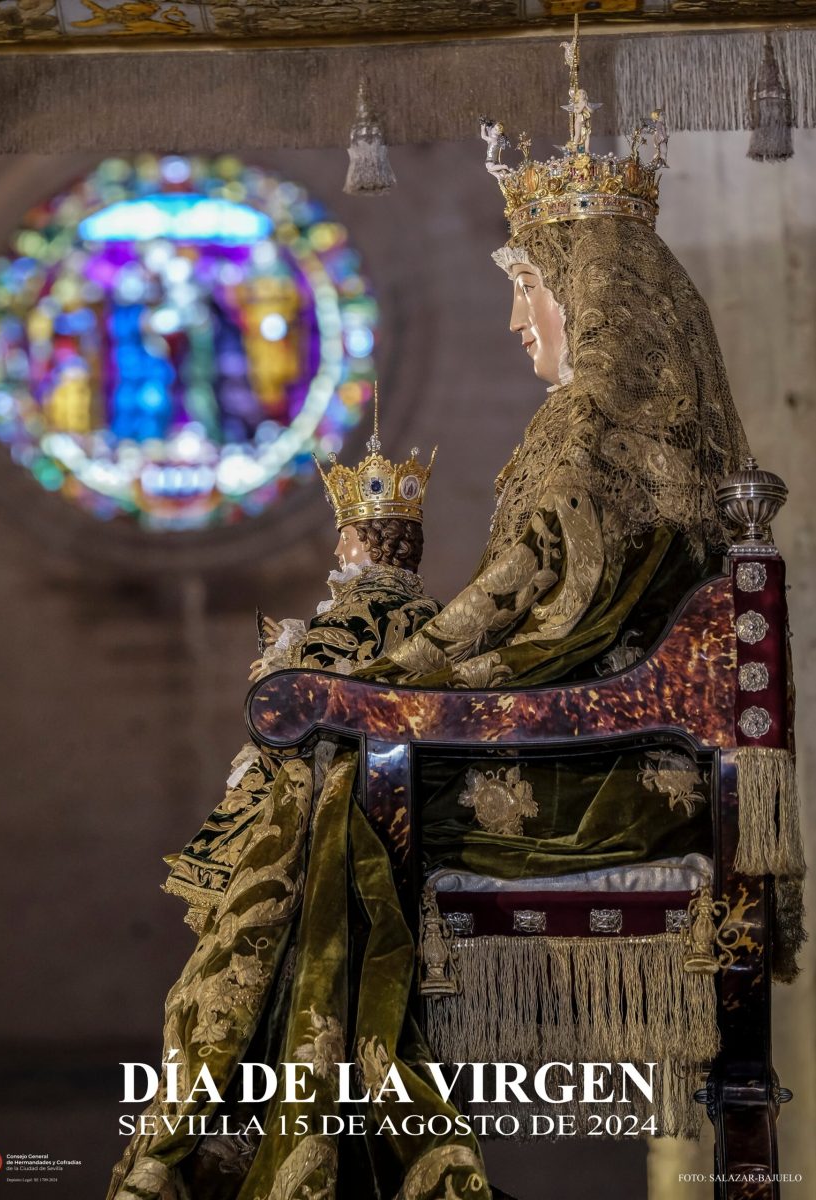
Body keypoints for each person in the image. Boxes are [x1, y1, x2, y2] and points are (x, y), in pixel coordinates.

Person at [109, 26, 754, 1200]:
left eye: (530, 293)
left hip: (603, 773)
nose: (519, 327)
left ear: (585, 296)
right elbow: (541, 615)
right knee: (330, 771)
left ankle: (274, 1145)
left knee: (324, 792)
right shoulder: (636, 435)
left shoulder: (586, 436)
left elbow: (516, 616)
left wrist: (374, 671)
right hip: (624, 740)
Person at [163, 400, 439, 935]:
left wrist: (280, 658)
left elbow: (321, 676)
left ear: (375, 542)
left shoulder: (364, 607)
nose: (338, 549)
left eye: (349, 536)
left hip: (355, 774)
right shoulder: (429, 611)